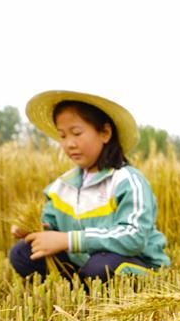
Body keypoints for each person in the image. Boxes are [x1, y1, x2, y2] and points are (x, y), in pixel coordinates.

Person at [9, 90, 169, 283]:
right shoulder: (60, 186)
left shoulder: (128, 181)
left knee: (100, 267)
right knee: (22, 253)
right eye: (62, 136)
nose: (69, 144)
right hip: (85, 263)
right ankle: (78, 290)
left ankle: (94, 285)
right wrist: (32, 230)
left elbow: (133, 238)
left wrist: (69, 240)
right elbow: (50, 225)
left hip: (133, 262)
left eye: (76, 133)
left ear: (105, 133)